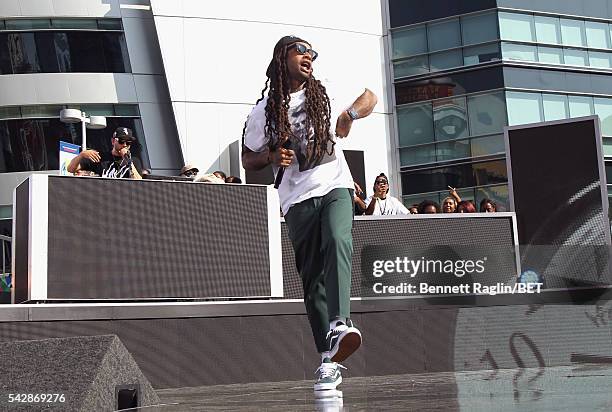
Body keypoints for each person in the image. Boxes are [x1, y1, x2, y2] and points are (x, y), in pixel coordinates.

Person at [241, 35, 377, 394]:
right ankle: (327, 358)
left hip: (335, 184)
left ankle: (340, 322)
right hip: (296, 198)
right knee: (311, 277)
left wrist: (350, 115)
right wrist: (270, 157)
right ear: (281, 55)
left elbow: (369, 96)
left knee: (337, 239)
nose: (309, 57)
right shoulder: (263, 110)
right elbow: (247, 158)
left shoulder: (325, 89)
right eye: (301, 50)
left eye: (312, 53)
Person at [67, 127, 142, 179]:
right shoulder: (100, 157)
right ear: (113, 141)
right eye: (121, 141)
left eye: (128, 142)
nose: (125, 145)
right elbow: (70, 169)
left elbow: (139, 182)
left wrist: (128, 161)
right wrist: (81, 155)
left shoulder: (134, 160)